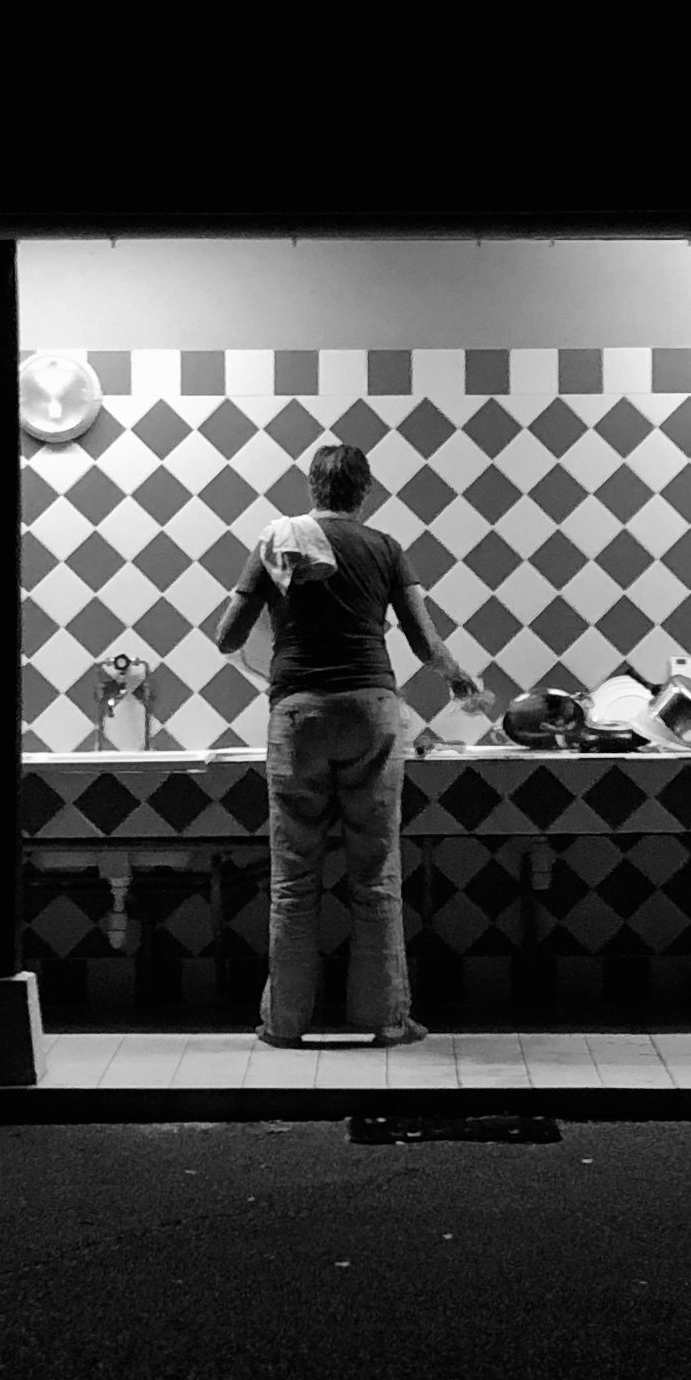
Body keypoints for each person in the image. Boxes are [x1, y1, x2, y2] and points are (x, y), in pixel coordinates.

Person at [207, 441, 484, 1048]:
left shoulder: (276, 542)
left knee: (293, 875)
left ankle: (284, 1024)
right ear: (365, 493)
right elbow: (424, 641)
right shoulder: (386, 548)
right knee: (376, 870)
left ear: (312, 489)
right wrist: (460, 677)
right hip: (372, 711)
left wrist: (280, 620)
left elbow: (226, 638)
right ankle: (386, 1020)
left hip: (298, 714)